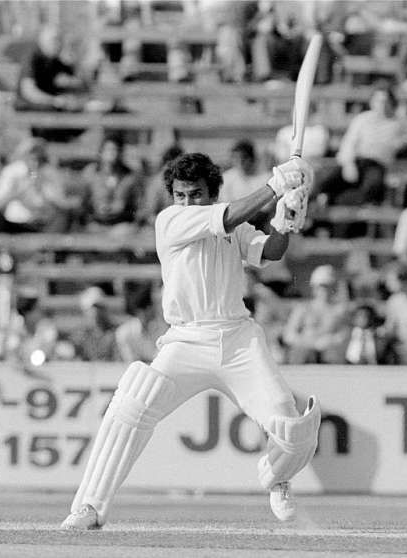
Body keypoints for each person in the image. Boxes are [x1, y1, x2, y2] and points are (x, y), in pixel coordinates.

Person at [61, 151, 321, 530]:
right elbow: (228, 216)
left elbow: (271, 251)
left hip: (237, 338)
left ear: (211, 193)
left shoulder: (235, 225)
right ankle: (89, 507)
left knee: (292, 425)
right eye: (180, 194)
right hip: (186, 339)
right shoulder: (170, 221)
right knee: (134, 401)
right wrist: (276, 186)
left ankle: (275, 476)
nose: (187, 202)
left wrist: (286, 219)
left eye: (196, 194)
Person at [281, 264, 351, 364]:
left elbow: (345, 334)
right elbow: (289, 334)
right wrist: (309, 343)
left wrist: (329, 341)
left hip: (329, 354)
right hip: (303, 354)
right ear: (314, 287)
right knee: (298, 352)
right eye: (321, 286)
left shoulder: (340, 310)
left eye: (328, 285)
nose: (324, 290)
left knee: (332, 354)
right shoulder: (302, 308)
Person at [219, 139, 274, 233]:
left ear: (251, 159)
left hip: (260, 225)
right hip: (234, 225)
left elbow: (267, 208)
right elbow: (225, 207)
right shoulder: (226, 178)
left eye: (242, 159)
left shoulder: (267, 178)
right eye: (235, 159)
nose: (238, 162)